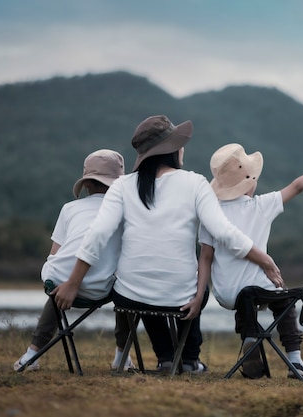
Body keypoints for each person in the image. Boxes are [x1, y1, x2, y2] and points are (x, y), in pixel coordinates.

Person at [52, 115, 284, 373]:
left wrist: (73, 283)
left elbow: (97, 235)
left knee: (143, 290)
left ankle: (165, 358)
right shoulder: (195, 183)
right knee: (194, 289)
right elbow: (225, 233)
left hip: (130, 297)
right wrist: (264, 259)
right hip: (180, 296)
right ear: (173, 149)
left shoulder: (122, 186)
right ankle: (189, 360)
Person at [198, 143, 303, 379]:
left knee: (245, 297)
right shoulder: (261, 205)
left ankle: (250, 338)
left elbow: (205, 258)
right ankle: (296, 362)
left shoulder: (211, 215)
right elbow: (297, 186)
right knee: (282, 299)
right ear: (250, 182)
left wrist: (200, 294)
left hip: (227, 293)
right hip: (258, 289)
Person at [14, 149, 135, 371]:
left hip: (56, 282)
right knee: (127, 290)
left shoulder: (69, 208)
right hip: (98, 288)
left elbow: (54, 253)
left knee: (58, 282)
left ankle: (31, 353)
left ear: (86, 184)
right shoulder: (126, 211)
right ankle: (121, 356)